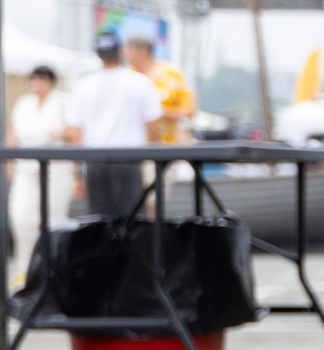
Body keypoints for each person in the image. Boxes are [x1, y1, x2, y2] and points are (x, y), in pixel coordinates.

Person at [62, 36, 160, 220]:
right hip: (130, 159)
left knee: (99, 222)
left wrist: (79, 171)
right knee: (134, 221)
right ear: (121, 52)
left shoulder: (84, 84)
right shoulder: (140, 82)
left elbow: (75, 132)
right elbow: (153, 127)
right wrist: (150, 161)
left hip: (95, 160)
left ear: (99, 55)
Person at [8, 64, 71, 283]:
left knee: (53, 221)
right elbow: (13, 134)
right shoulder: (24, 103)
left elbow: (75, 132)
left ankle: (53, 274)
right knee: (22, 219)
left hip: (57, 169)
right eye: (33, 80)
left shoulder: (63, 101)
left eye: (41, 80)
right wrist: (9, 163)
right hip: (26, 169)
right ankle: (25, 273)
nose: (36, 84)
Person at [123, 32, 194, 143]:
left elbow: (188, 110)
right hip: (131, 146)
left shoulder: (172, 74)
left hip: (165, 147)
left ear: (143, 51)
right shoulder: (125, 76)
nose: (124, 54)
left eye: (128, 49)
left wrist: (158, 113)